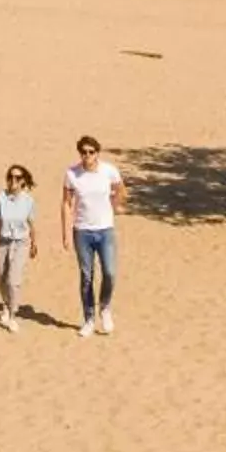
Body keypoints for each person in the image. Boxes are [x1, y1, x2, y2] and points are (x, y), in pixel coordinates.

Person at [60, 135, 126, 336]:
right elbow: (66, 203)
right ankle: (88, 318)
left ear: (97, 153)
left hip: (105, 230)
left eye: (91, 152)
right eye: (83, 152)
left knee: (110, 272)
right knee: (87, 276)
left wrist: (115, 206)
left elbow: (121, 190)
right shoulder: (72, 174)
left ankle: (104, 307)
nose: (87, 155)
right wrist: (65, 233)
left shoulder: (108, 171)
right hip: (82, 231)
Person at [0, 163, 40, 332]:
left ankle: (13, 316)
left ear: (23, 181)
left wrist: (34, 243)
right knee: (1, 279)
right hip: (2, 242)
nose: (13, 181)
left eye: (17, 178)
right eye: (10, 177)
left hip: (21, 243)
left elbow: (31, 224)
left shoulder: (29, 201)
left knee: (13, 280)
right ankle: (7, 306)